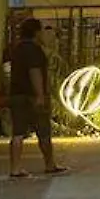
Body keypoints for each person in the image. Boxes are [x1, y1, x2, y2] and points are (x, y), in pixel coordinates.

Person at [6, 18, 66, 178]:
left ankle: (15, 168)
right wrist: (40, 95)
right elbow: (35, 72)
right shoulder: (34, 50)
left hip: (16, 95)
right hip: (32, 96)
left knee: (18, 133)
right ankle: (50, 164)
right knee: (43, 131)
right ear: (36, 32)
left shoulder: (17, 49)